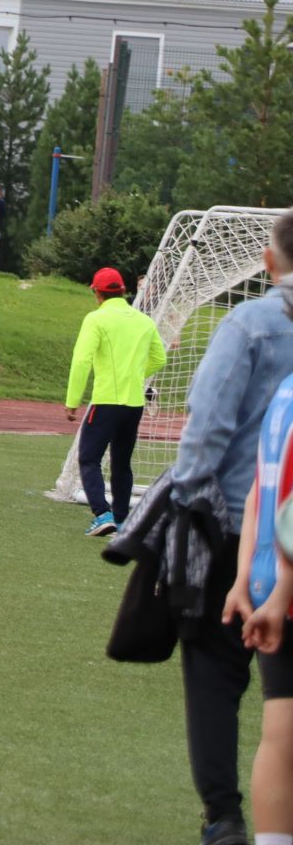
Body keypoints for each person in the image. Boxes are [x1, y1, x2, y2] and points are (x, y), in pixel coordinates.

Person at [173, 209, 293, 845]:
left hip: (242, 522)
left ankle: (224, 813)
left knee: (215, 673)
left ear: (268, 263)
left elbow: (207, 428)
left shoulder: (250, 323)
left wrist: (194, 511)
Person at [223, 328, 293, 845]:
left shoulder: (284, 393)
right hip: (285, 591)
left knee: (280, 736)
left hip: (268, 579)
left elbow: (258, 494)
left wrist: (245, 578)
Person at [63, 266, 166, 536]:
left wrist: (72, 401)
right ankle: (121, 519)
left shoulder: (96, 319)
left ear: (97, 293)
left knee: (88, 458)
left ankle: (102, 514)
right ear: (122, 290)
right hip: (133, 405)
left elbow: (82, 360)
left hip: (106, 401)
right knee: (121, 462)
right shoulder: (144, 321)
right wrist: (133, 374)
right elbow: (159, 358)